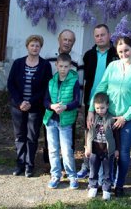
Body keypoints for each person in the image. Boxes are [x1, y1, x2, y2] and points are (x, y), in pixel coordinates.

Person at [87, 36, 131, 197]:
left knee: (123, 152)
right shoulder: (113, 66)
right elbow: (101, 87)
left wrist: (125, 117)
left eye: (126, 50)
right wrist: (92, 109)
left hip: (128, 118)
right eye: (120, 52)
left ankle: (119, 184)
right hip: (108, 116)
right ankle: (105, 181)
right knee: (106, 150)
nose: (124, 54)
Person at [77, 24, 119, 179]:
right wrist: (86, 104)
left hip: (110, 104)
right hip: (91, 102)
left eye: (103, 35)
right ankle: (86, 166)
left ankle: (109, 170)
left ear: (109, 35)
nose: (100, 38)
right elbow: (86, 79)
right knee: (89, 133)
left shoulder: (116, 54)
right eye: (97, 35)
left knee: (109, 135)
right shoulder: (88, 55)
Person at [7, 35, 53, 178]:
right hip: (17, 107)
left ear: (40, 48)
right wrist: (20, 101)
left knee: (32, 137)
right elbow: (11, 84)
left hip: (36, 107)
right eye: (32, 45)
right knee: (19, 136)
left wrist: (30, 102)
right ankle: (20, 164)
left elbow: (46, 87)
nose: (34, 48)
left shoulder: (45, 65)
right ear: (27, 46)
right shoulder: (18, 63)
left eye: (37, 46)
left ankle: (29, 165)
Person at [43, 53, 81, 189]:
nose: (63, 69)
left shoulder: (74, 81)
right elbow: (45, 101)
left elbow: (77, 101)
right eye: (61, 66)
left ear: (70, 66)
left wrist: (65, 107)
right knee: (53, 150)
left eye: (66, 66)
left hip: (65, 121)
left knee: (66, 151)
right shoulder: (51, 81)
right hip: (51, 120)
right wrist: (52, 106)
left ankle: (72, 176)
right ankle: (55, 175)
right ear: (56, 65)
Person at [44, 29, 79, 163]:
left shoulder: (77, 58)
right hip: (51, 103)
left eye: (70, 40)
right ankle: (50, 164)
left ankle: (66, 164)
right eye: (65, 39)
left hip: (68, 106)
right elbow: (46, 79)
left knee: (67, 138)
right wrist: (48, 103)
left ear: (73, 43)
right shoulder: (49, 55)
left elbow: (79, 82)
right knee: (50, 137)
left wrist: (76, 104)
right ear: (59, 39)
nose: (67, 42)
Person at [85, 92, 120, 201]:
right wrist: (87, 147)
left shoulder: (111, 119)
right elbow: (88, 132)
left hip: (107, 150)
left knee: (107, 171)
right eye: (97, 108)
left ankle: (106, 190)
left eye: (102, 108)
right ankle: (93, 187)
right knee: (93, 170)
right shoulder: (93, 118)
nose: (100, 110)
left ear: (107, 106)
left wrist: (117, 149)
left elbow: (116, 135)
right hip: (95, 149)